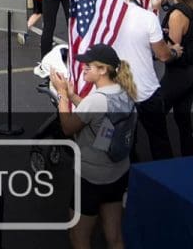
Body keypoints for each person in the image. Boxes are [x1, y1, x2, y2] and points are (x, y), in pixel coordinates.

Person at [50, 43, 137, 249]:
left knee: (79, 237)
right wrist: (73, 97)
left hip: (91, 178)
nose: (83, 68)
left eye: (89, 66)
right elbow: (96, 117)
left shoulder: (96, 100)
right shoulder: (126, 94)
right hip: (118, 172)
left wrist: (62, 94)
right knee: (114, 236)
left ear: (103, 70)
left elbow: (68, 127)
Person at [157, 0, 193, 157]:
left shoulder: (176, 16)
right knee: (182, 118)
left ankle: (163, 158)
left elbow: (171, 50)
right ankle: (188, 156)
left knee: (155, 116)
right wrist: (164, 5)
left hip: (178, 75)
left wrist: (156, 42)